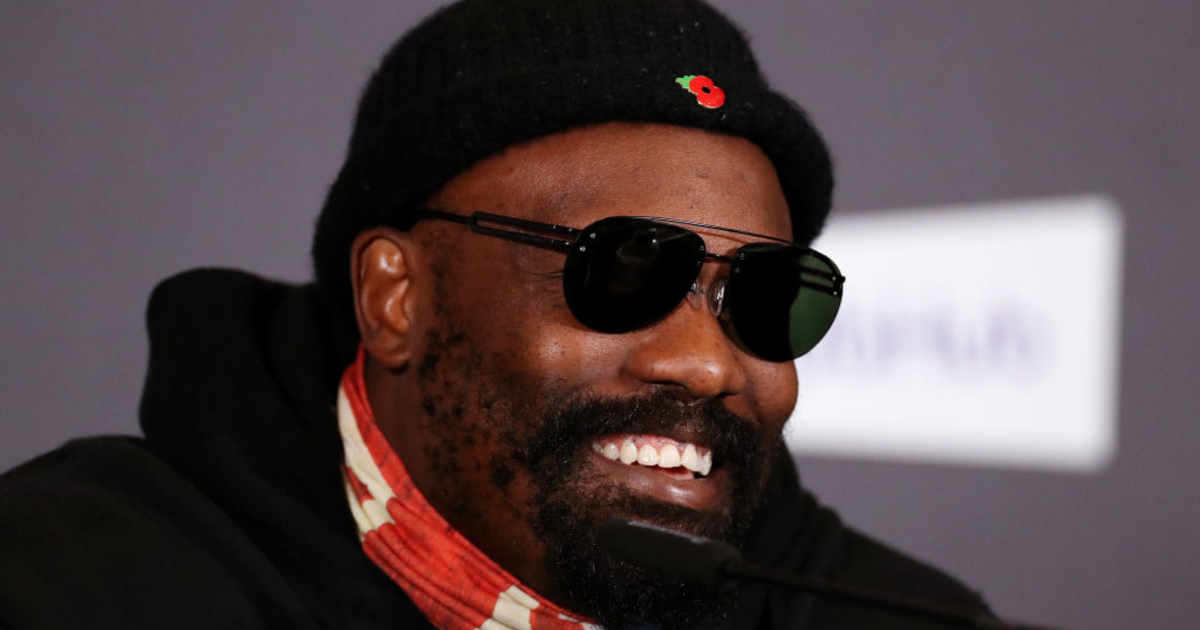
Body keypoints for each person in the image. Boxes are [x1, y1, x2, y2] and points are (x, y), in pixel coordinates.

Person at [0, 1, 994, 628]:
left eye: (767, 297)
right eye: (626, 270)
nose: (707, 364)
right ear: (396, 297)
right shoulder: (67, 585)